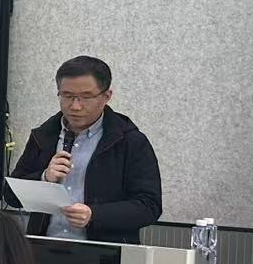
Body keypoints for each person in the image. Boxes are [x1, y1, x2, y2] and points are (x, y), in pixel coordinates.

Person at [11, 55, 162, 244]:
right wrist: (44, 178)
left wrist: (94, 215)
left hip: (103, 254)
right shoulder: (44, 136)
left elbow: (149, 206)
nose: (75, 106)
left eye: (86, 97)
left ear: (106, 96)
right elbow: (11, 195)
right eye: (67, 96)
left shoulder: (130, 141)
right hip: (42, 248)